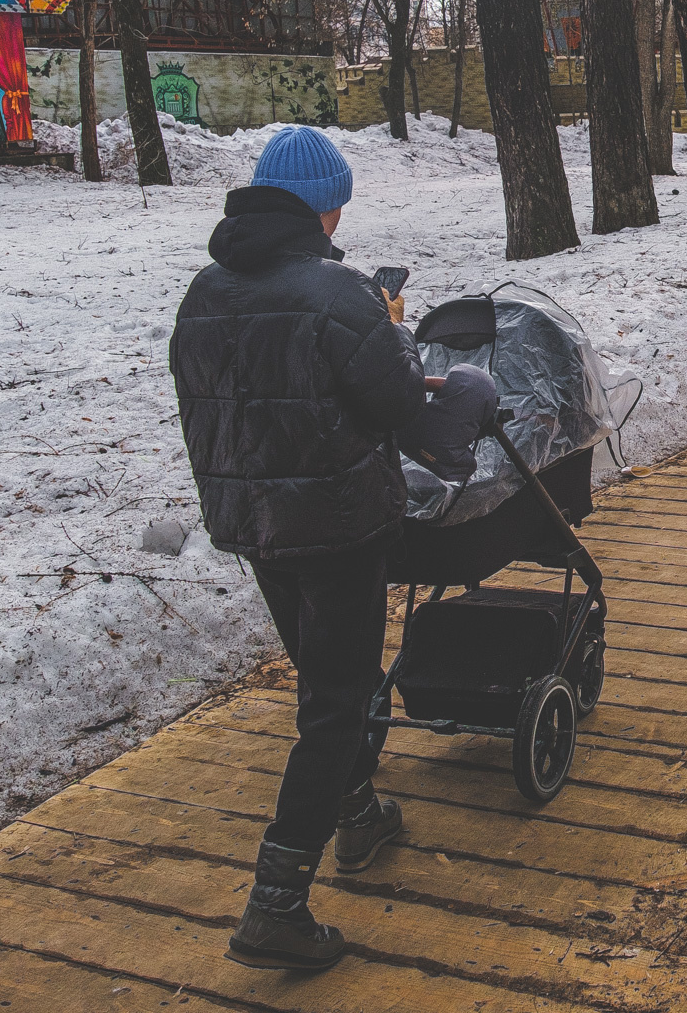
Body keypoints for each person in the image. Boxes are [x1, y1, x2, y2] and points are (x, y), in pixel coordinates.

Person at [169, 126, 497, 971]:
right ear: (324, 205)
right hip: (340, 527)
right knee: (335, 702)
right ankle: (275, 905)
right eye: (339, 198)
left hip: (254, 524)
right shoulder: (336, 291)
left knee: (325, 685)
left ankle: (357, 813)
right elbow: (392, 406)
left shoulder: (204, 292)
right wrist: (438, 379)